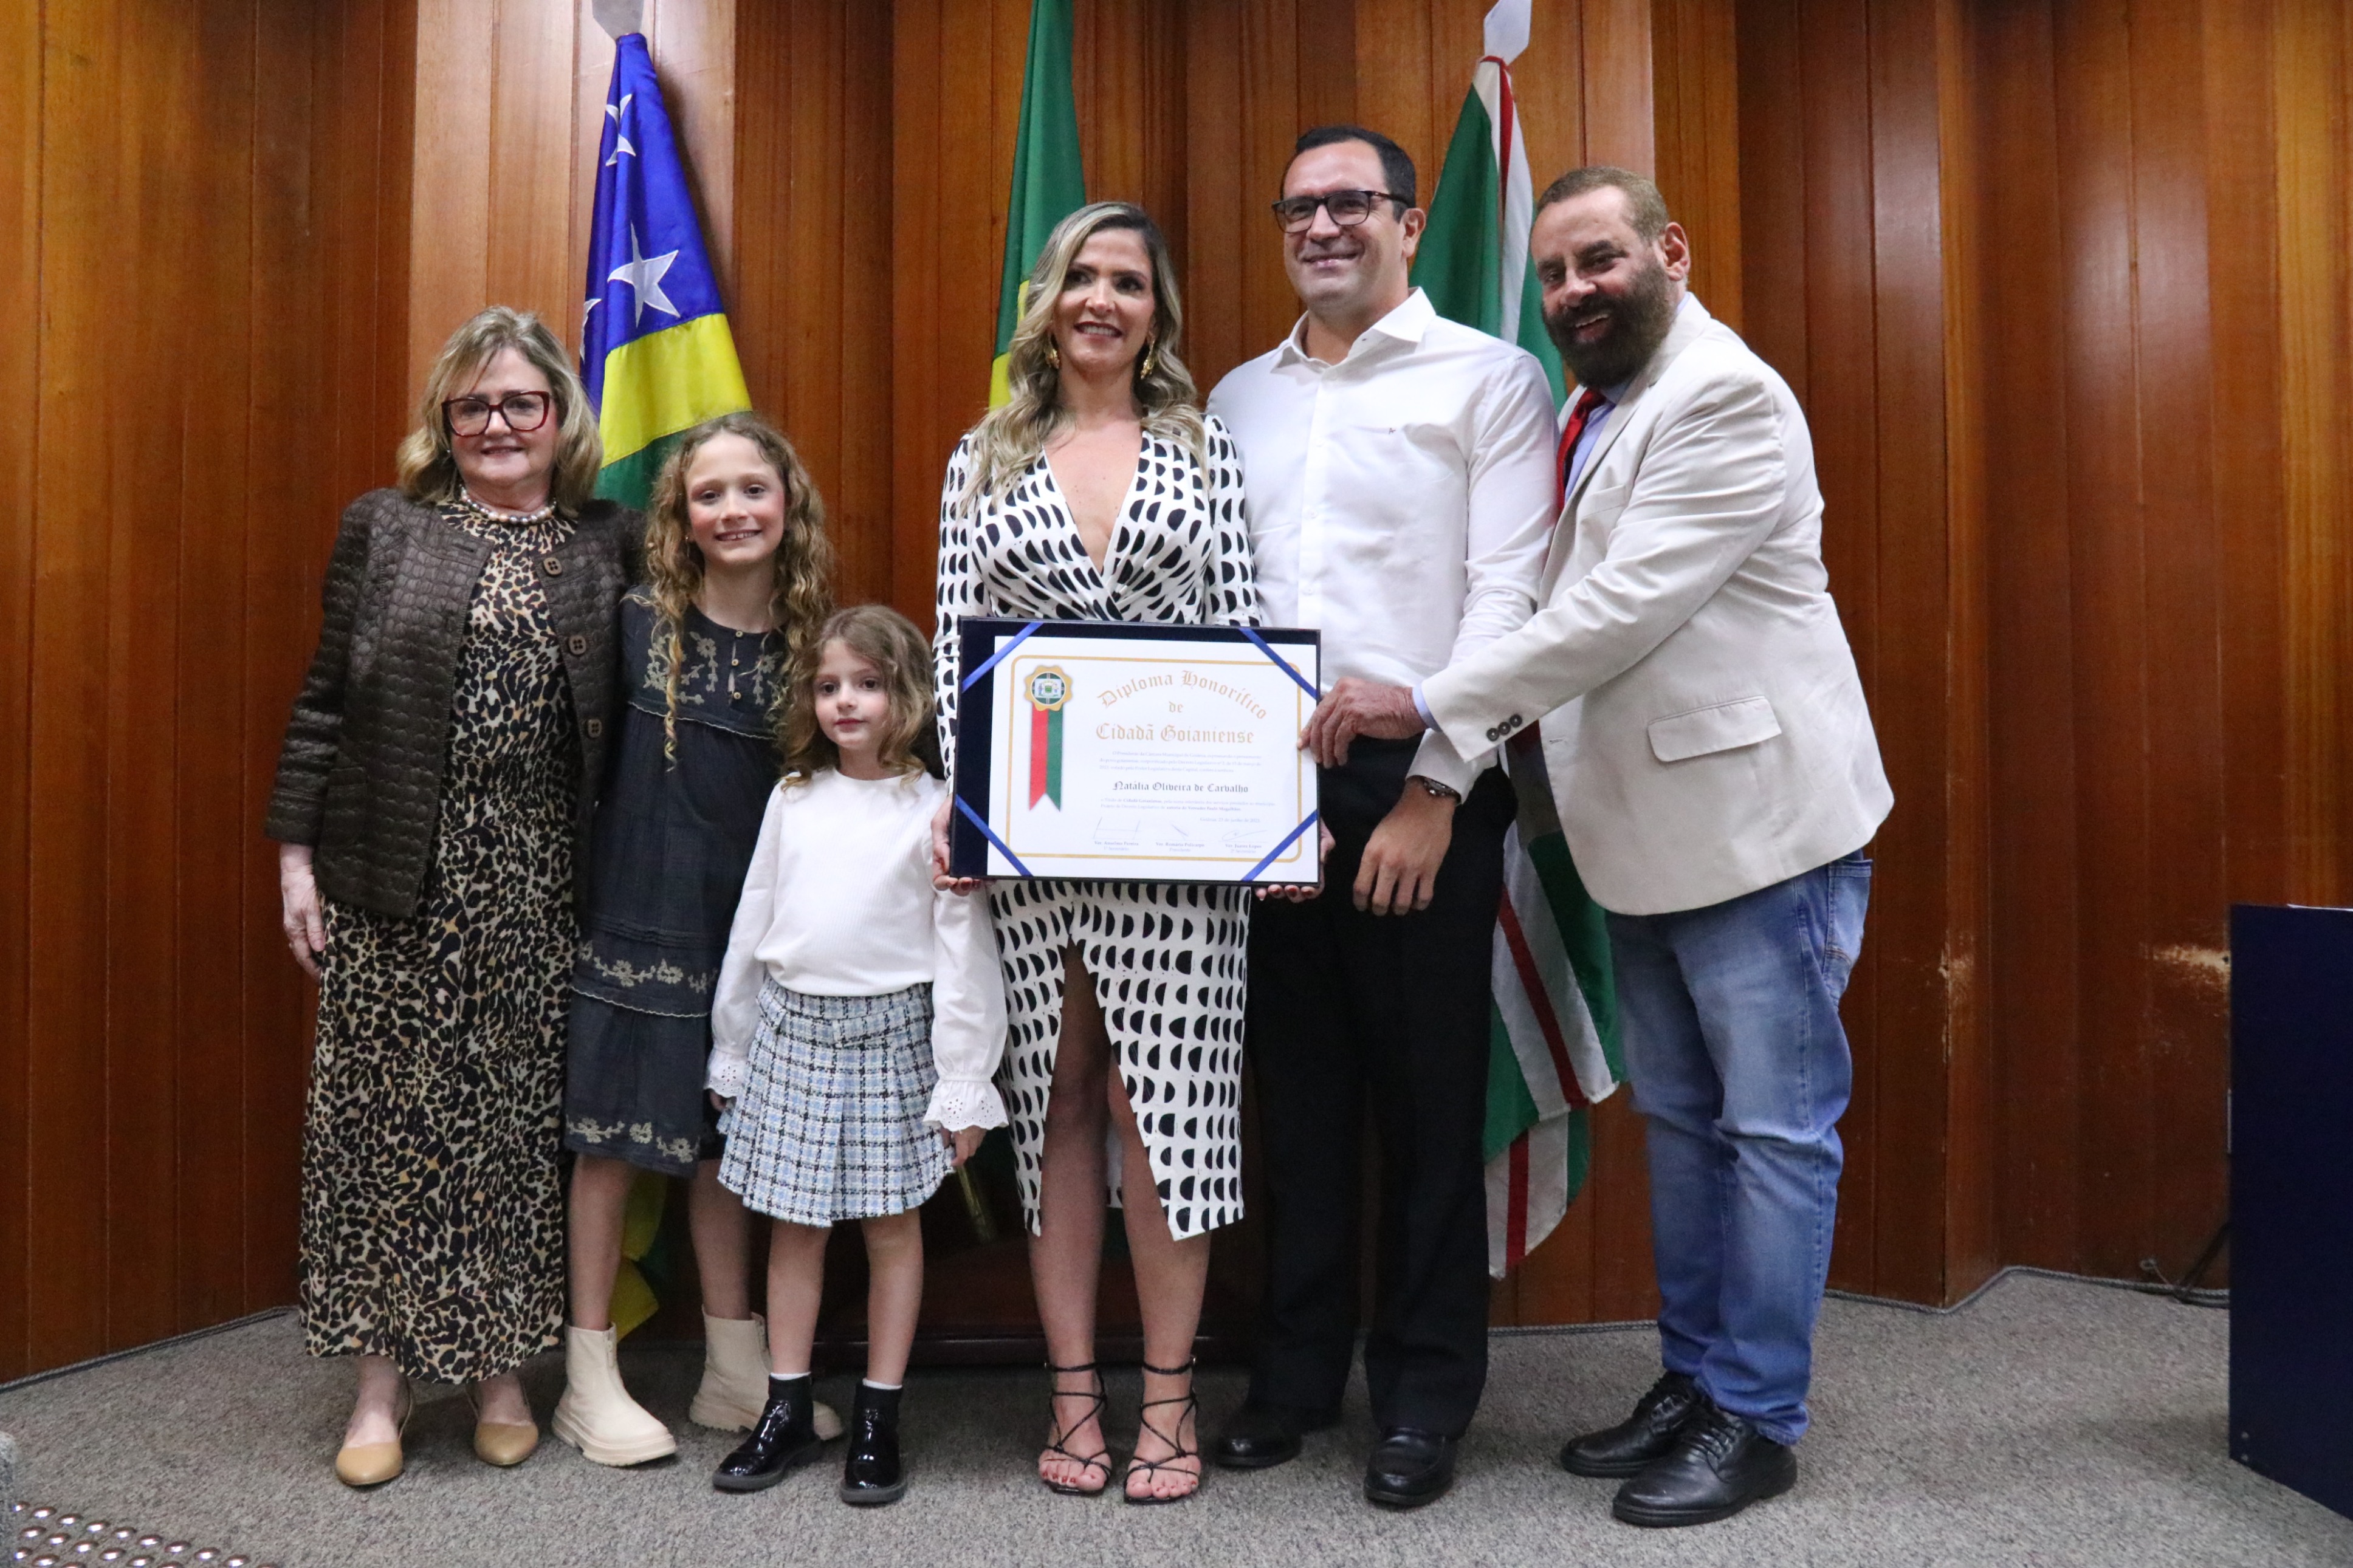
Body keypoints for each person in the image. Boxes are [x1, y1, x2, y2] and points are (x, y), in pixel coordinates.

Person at [1304, 165, 1892, 1529]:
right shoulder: (1600, 405)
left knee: (1775, 1133)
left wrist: (1429, 702)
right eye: (1556, 272)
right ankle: (1695, 1381)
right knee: (1685, 1130)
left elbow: (1617, 608)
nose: (1574, 291)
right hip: (1645, 836)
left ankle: (1757, 1415)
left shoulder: (1727, 398)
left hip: (1761, 835)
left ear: (1669, 253)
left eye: (1600, 261)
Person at [1203, 124, 1558, 1510]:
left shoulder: (1490, 378)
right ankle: (1295, 1377)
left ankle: (1422, 1394)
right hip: (1260, 790)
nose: (1321, 226)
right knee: (1295, 1103)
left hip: (1420, 783)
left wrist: (1435, 789)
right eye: (1298, 207)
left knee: (1424, 1108)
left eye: (1351, 202)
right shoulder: (1238, 396)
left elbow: (1510, 596)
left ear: (1409, 223)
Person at [267, 306, 637, 1488]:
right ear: (444, 419)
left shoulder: (608, 542)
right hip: (393, 877)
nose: (496, 423)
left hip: (540, 885)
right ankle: (379, 1386)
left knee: (510, 1132)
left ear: (559, 414)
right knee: (384, 1127)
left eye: (520, 401)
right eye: (471, 404)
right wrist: (295, 859)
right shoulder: (385, 527)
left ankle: (499, 1371)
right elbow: (324, 701)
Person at [932, 200, 1259, 1504]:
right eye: (1081, 276)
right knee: (1058, 1106)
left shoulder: (1206, 448)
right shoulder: (985, 456)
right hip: (1035, 830)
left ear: (1155, 310)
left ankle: (1168, 1401)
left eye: (1127, 280)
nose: (1101, 300)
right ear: (1047, 299)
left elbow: (1242, 630)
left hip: (1181, 839)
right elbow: (958, 637)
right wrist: (965, 807)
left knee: (1164, 1110)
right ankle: (1073, 1396)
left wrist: (1271, 822)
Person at [552, 413, 842, 1466]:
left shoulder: (820, 649)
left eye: (752, 489)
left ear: (788, 504)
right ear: (678, 517)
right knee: (609, 1146)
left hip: (753, 934)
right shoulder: (633, 624)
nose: (732, 511)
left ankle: (733, 1367)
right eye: (708, 494)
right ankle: (587, 1376)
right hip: (636, 910)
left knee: (725, 1146)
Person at [704, 605, 1006, 1506]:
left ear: (905, 695)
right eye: (830, 685)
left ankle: (879, 1413)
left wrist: (964, 1079)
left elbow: (962, 948)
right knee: (794, 1227)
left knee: (891, 1229)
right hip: (793, 1033)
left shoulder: (934, 809)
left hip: (894, 1037)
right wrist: (733, 1044)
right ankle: (787, 1405)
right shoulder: (793, 798)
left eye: (868, 685)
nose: (846, 701)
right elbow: (754, 922)